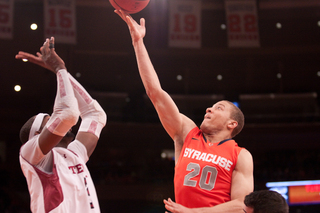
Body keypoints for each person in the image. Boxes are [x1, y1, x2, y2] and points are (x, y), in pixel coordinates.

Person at [115, 10, 254, 213]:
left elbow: (242, 205)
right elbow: (155, 93)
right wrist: (138, 42)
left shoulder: (240, 155)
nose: (209, 109)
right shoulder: (188, 133)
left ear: (232, 123)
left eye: (219, 108)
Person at [16, 37, 107, 213]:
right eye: (49, 120)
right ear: (37, 136)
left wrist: (60, 73)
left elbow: (95, 115)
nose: (55, 122)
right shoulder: (30, 156)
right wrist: (59, 69)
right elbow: (68, 115)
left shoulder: (73, 155)